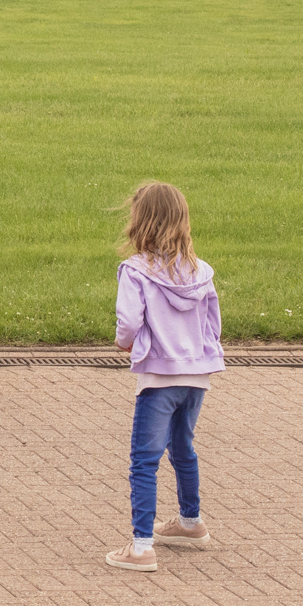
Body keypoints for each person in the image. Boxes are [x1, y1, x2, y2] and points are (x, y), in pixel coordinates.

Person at [106, 181, 224, 573]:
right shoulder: (201, 271)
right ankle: (190, 521)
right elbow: (213, 325)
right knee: (182, 447)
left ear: (139, 221)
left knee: (144, 459)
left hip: (158, 376)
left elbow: (128, 322)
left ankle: (141, 546)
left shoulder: (135, 270)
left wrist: (127, 343)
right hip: (196, 376)